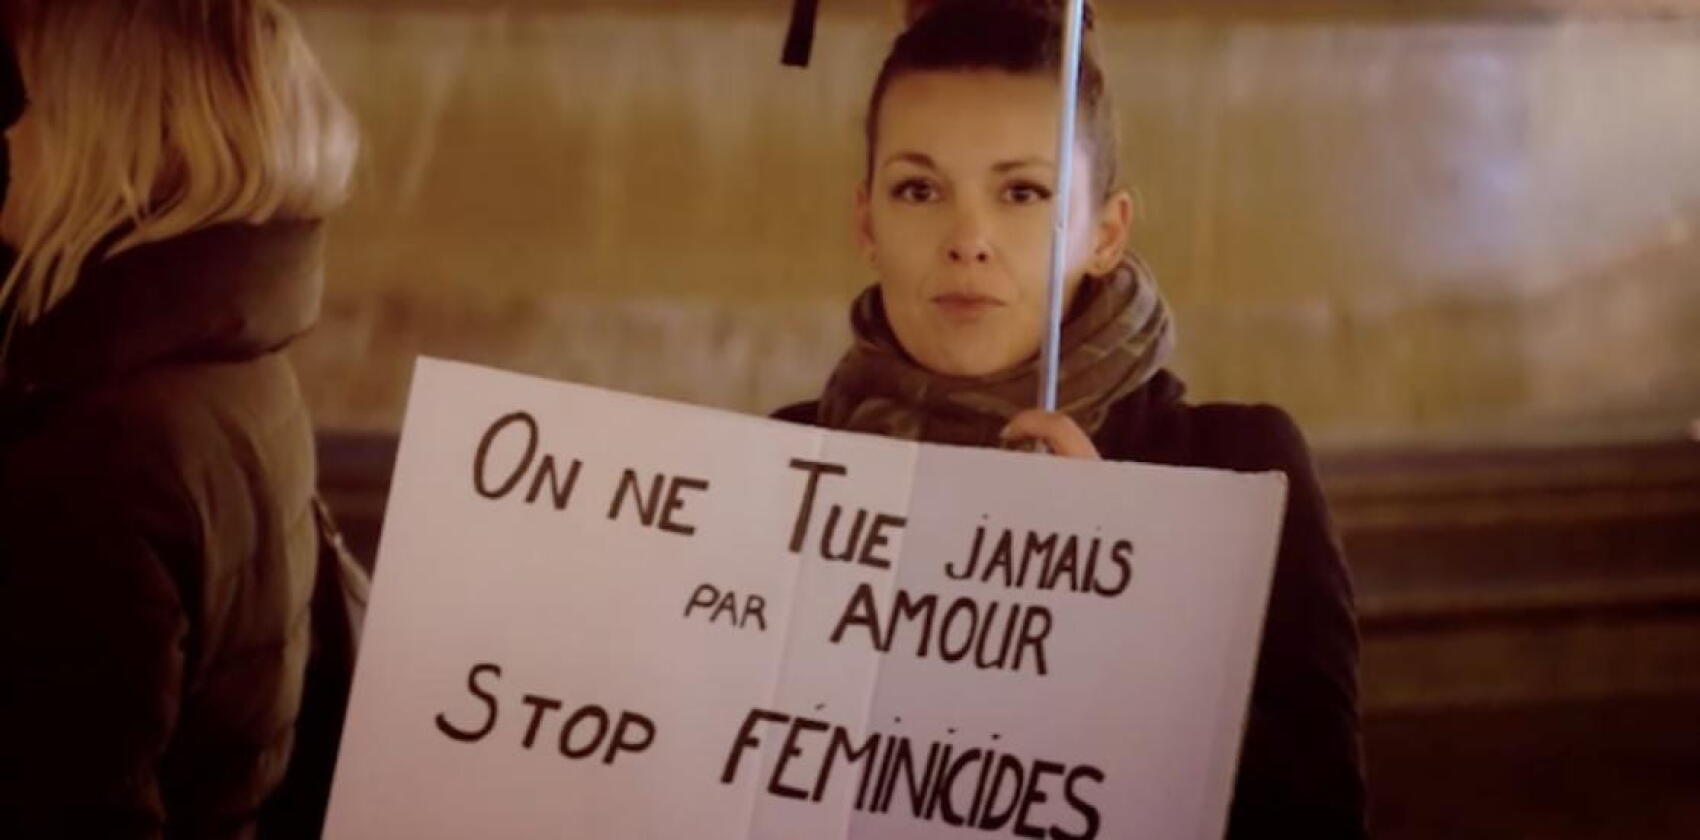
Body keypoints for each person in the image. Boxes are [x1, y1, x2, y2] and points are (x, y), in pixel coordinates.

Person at [773, 0, 1367, 835]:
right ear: (867, 219)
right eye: (919, 189)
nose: (968, 239)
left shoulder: (1239, 471)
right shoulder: (784, 462)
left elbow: (1313, 818)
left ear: (1106, 232)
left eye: (1024, 192)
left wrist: (1117, 593)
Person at [0, 1, 358, 836]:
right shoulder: (232, 365)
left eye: (30, 102)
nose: (10, 136)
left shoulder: (91, 458)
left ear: (112, 143)